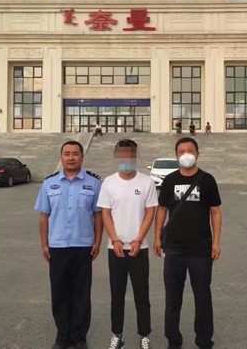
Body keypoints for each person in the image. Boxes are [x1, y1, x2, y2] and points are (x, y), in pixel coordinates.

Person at [154, 137, 222, 349]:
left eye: (190, 151)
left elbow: (215, 211)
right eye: (181, 151)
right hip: (174, 249)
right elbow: (162, 209)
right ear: (176, 156)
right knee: (172, 298)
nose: (186, 155)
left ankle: (204, 340)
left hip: (200, 249)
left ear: (197, 154)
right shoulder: (170, 180)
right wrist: (157, 236)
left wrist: (216, 242)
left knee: (203, 297)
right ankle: (173, 340)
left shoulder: (207, 180)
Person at [34, 140, 103, 349]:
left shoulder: (94, 183)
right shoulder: (49, 183)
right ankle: (63, 336)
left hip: (83, 246)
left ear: (82, 157)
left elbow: (98, 216)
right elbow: (43, 217)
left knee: (82, 294)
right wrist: (44, 244)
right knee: (60, 294)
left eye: (75, 153)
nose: (71, 157)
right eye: (67, 153)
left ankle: (79, 337)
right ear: (61, 157)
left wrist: (98, 241)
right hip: (58, 247)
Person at [97, 139, 158, 349]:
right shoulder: (109, 182)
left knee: (142, 294)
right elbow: (105, 213)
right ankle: (117, 335)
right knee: (117, 295)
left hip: (138, 248)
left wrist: (139, 239)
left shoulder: (146, 182)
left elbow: (150, 212)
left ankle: (144, 335)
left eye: (130, 154)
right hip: (115, 249)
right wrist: (114, 239)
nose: (126, 159)